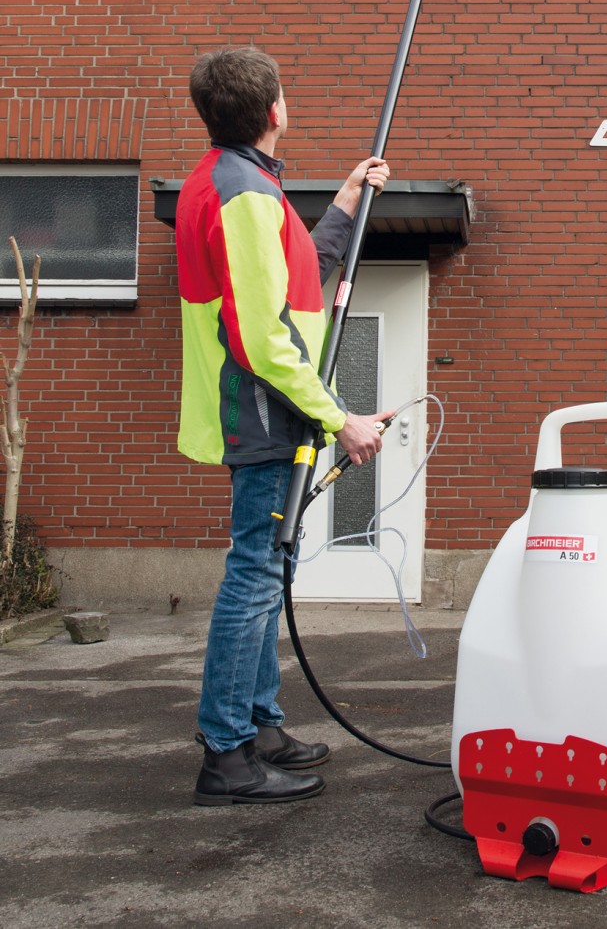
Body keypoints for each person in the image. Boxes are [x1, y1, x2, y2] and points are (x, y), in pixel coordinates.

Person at [175, 45, 391, 806]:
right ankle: (226, 754)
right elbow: (262, 337)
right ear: (275, 112)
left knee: (271, 576)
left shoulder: (241, 184)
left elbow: (303, 272)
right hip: (265, 413)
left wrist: (344, 200)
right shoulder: (241, 194)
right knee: (255, 576)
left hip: (272, 412)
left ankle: (260, 725)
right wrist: (343, 420)